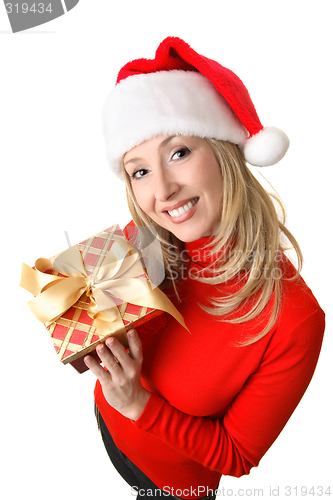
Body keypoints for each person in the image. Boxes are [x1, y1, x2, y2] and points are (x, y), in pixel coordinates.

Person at [83, 37, 325, 500]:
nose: (164, 191)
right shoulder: (146, 238)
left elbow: (236, 455)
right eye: (140, 171)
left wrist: (137, 404)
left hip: (170, 485)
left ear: (226, 152)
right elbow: (94, 310)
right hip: (109, 429)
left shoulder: (294, 321)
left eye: (179, 153)